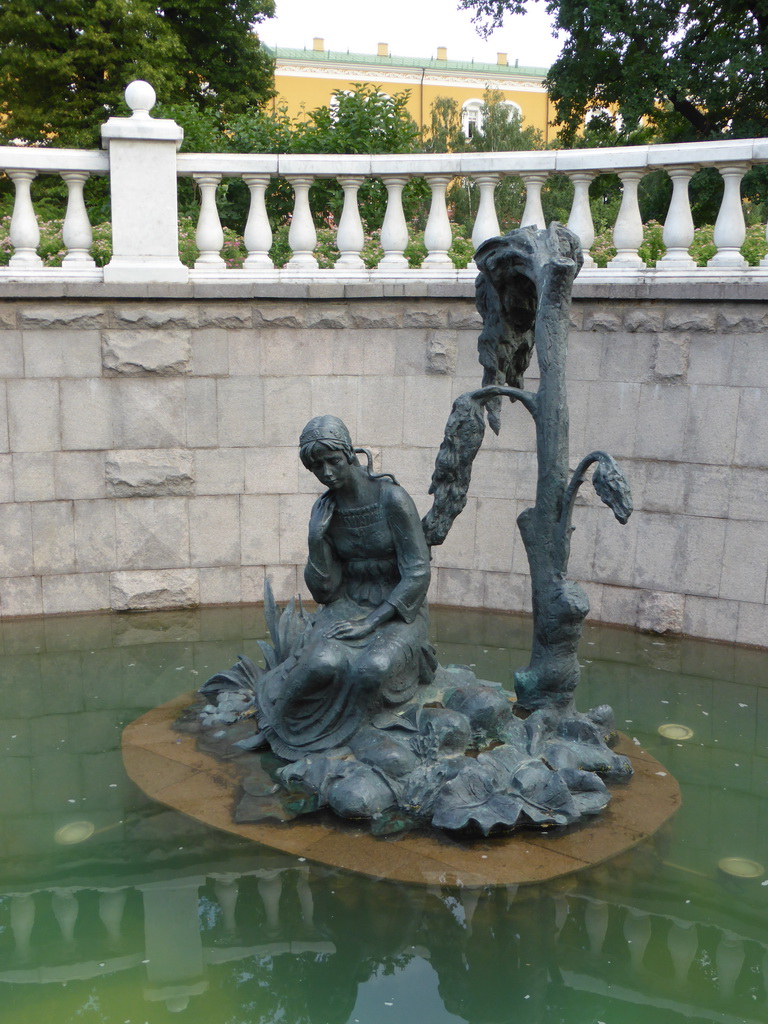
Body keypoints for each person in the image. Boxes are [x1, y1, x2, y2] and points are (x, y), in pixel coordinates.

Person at [255, 415, 435, 761]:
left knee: (373, 667)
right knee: (322, 661)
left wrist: (371, 622)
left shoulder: (392, 499)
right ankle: (279, 726)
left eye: (332, 461)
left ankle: (349, 736)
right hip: (347, 605)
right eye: (316, 466)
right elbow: (324, 593)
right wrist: (315, 539)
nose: (326, 472)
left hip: (399, 612)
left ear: (350, 454)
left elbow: (417, 573)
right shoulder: (327, 509)